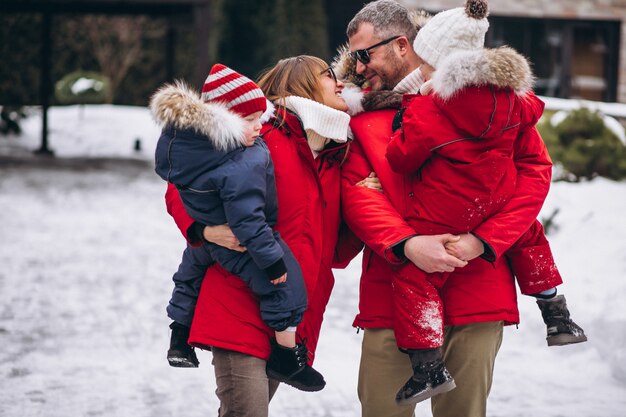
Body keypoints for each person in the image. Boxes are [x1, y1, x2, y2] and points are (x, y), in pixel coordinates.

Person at [339, 0, 560, 416]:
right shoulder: (359, 116)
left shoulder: (495, 100)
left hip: (477, 286)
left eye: (363, 54)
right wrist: (407, 244)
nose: (358, 66)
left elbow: (533, 174)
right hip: (393, 293)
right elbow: (356, 191)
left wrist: (485, 241)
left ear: (402, 45)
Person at [160, 55, 363, 416]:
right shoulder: (260, 134)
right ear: (301, 83)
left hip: (287, 313)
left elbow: (334, 251)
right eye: (327, 74)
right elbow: (182, 187)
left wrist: (365, 202)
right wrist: (204, 231)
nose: (340, 82)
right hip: (237, 298)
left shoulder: (337, 155)